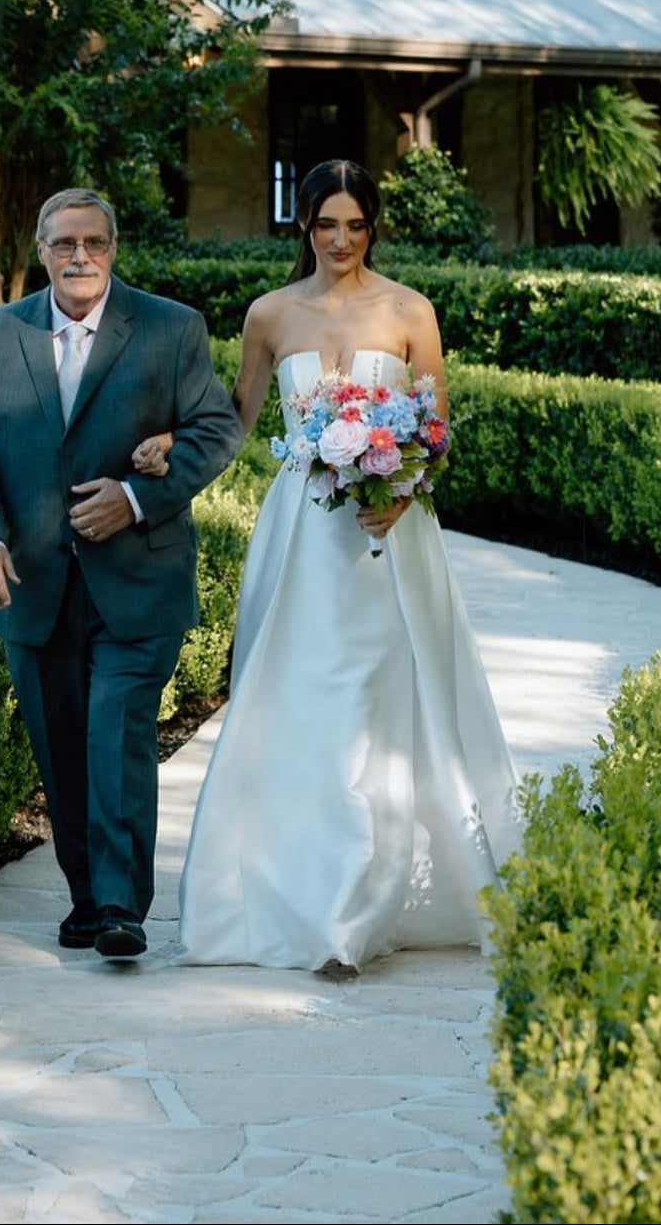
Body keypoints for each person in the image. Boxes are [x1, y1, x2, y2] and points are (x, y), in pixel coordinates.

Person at [175, 158, 524, 972]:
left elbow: (435, 431)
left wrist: (402, 490)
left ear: (372, 227)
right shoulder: (269, 314)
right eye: (325, 224)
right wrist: (165, 447)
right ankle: (297, 899)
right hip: (300, 539)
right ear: (303, 225)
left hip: (388, 538)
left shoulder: (408, 310)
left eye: (355, 225)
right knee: (298, 708)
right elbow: (233, 421)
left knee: (377, 710)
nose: (340, 240)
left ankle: (357, 917)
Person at [0, 187, 244, 960]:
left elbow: (216, 428)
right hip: (34, 583)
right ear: (40, 252)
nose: (80, 257)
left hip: (139, 579)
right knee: (62, 751)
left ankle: (119, 906)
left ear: (114, 248)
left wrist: (137, 498)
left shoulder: (171, 328)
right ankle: (88, 900)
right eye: (65, 244)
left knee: (116, 736)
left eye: (95, 243)